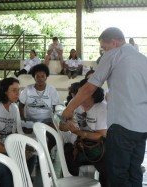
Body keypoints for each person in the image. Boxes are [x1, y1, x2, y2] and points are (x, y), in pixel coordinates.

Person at [62, 27, 147, 187]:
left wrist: (69, 108)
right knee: (134, 170)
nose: (103, 51)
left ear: (114, 43)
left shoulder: (114, 54)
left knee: (117, 174)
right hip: (142, 128)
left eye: (104, 47)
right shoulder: (143, 59)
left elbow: (89, 88)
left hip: (123, 125)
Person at [60, 78, 108, 187]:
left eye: (84, 91)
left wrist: (78, 132)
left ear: (93, 94)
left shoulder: (102, 108)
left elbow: (100, 135)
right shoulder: (74, 103)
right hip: (77, 147)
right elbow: (61, 125)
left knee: (109, 165)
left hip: (96, 148)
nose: (80, 94)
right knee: (67, 153)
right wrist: (66, 125)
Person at [0, 77, 36, 174]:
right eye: (14, 90)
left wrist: (24, 145)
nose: (18, 94)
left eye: (19, 90)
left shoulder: (14, 108)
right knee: (16, 161)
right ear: (4, 91)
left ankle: (23, 182)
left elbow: (17, 131)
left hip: (9, 143)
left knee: (32, 157)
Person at [19, 63, 60, 160]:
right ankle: (32, 152)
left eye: (43, 76)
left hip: (47, 120)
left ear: (46, 77)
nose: (40, 78)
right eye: (38, 76)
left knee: (54, 134)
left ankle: (46, 151)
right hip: (30, 120)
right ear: (34, 77)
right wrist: (23, 118)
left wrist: (54, 121)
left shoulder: (51, 90)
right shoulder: (28, 89)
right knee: (20, 131)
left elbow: (55, 107)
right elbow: (21, 105)